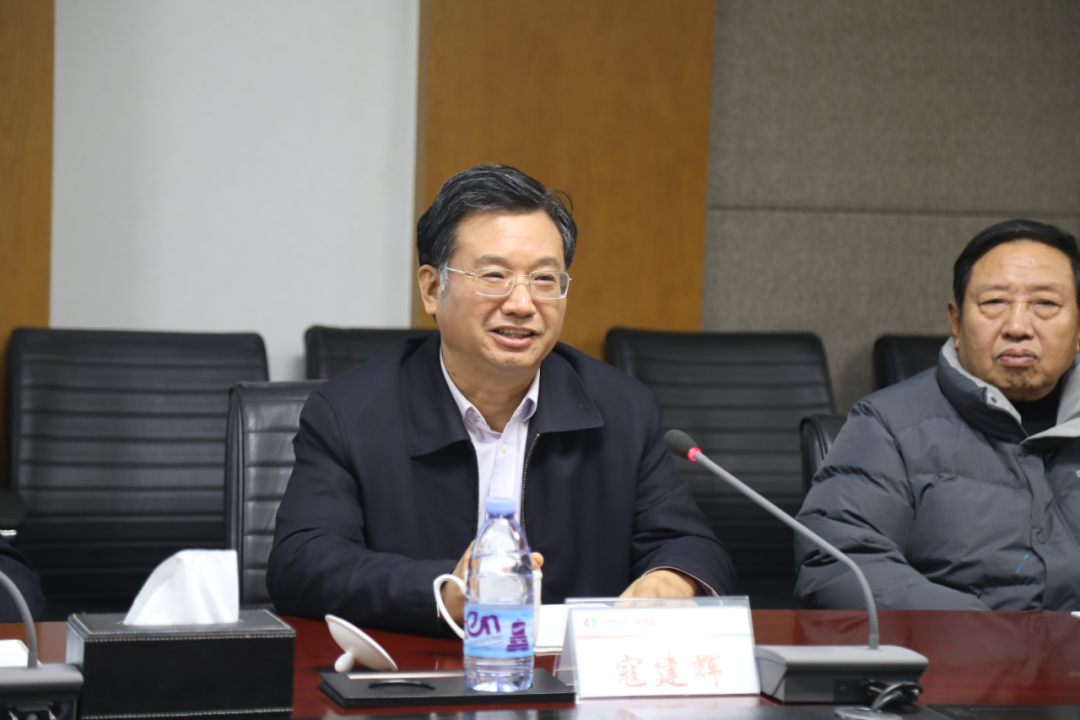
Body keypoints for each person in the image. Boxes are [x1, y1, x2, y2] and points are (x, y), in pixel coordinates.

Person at [268, 164, 735, 634]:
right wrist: (446, 590)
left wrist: (671, 581)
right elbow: (303, 563)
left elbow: (690, 544)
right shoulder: (350, 413)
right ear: (432, 289)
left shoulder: (621, 410)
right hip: (421, 668)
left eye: (545, 279)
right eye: (494, 275)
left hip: (569, 672)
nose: (522, 304)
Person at [796, 219, 1080, 611]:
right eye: (994, 302)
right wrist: (985, 632)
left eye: (1045, 304)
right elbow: (840, 565)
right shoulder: (887, 425)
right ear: (956, 322)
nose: (1018, 327)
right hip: (958, 647)